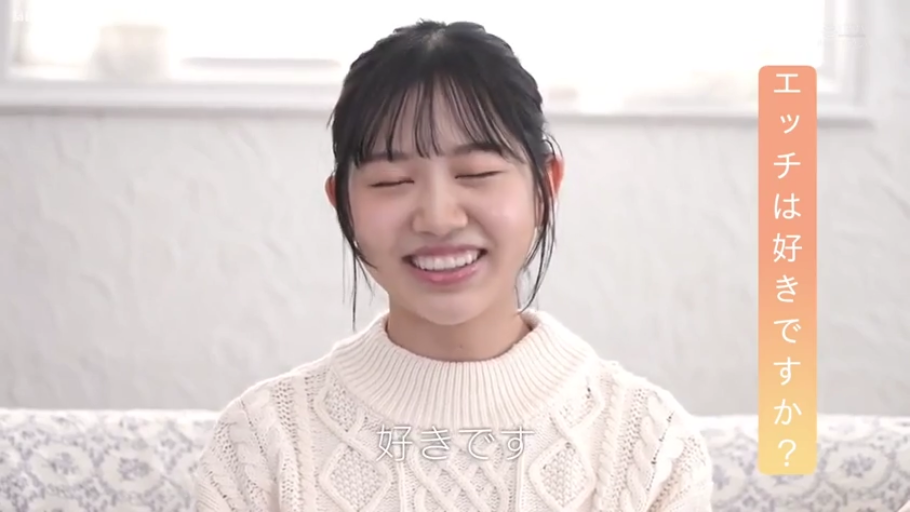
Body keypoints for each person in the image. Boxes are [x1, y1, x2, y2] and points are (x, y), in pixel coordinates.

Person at [194, 20, 714, 512]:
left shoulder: (650, 446)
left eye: (477, 173)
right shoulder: (260, 447)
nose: (439, 217)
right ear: (342, 204)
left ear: (545, 187)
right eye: (392, 182)